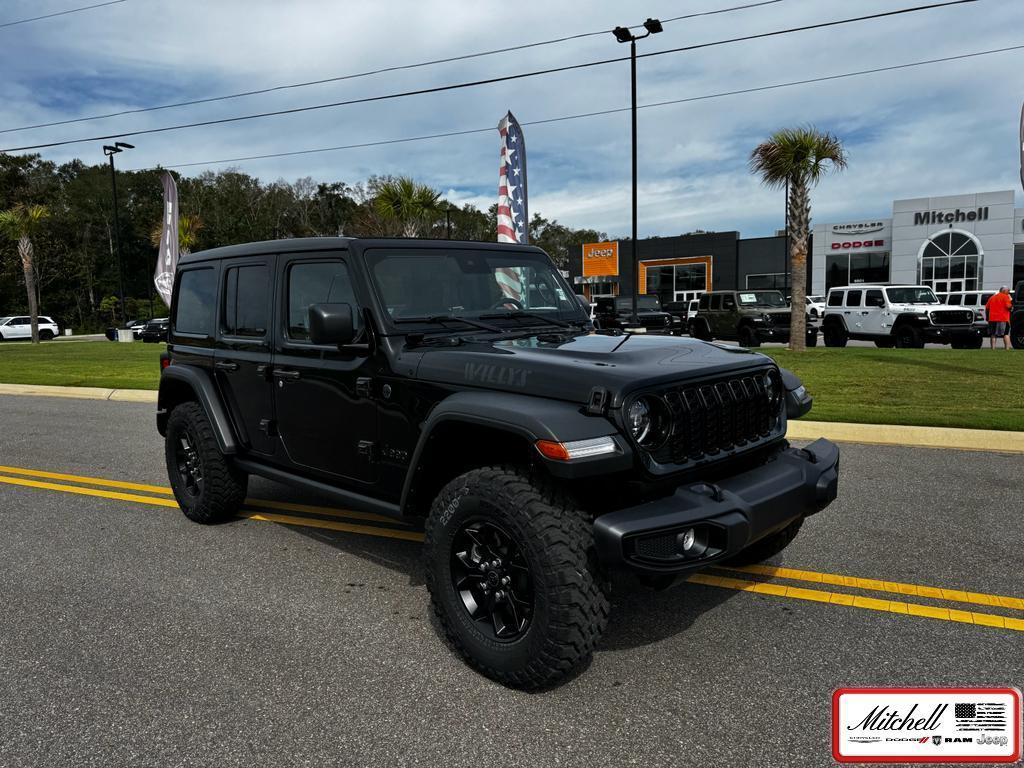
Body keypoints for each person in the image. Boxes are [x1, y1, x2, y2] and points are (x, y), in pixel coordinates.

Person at [984, 286, 1013, 350]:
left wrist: (987, 317)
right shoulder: (1006, 297)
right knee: (1006, 334)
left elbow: (987, 308)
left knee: (993, 334)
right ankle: (1007, 349)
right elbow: (1009, 307)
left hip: (992, 319)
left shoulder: (992, 297)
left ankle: (993, 349)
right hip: (1003, 319)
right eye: (1008, 291)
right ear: (1004, 291)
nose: (1009, 292)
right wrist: (1011, 301)